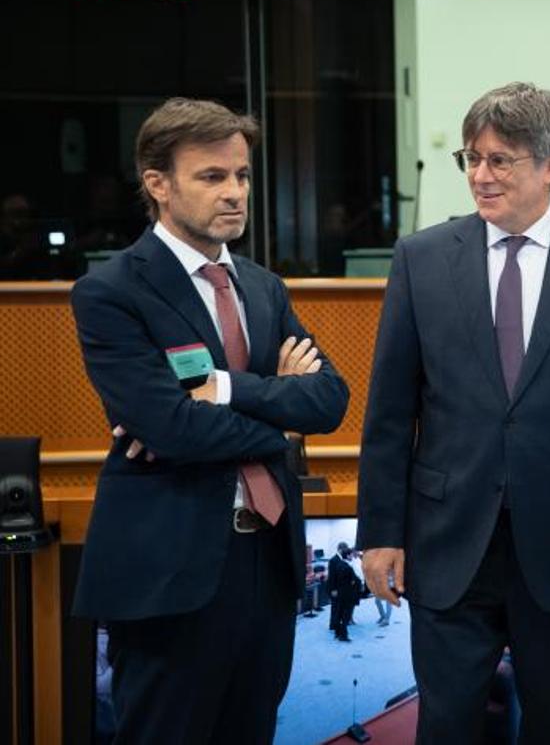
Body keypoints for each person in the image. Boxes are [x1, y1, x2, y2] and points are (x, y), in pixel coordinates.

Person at [358, 81, 550, 744]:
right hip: (446, 542)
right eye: (471, 158)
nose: (481, 175)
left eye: (500, 160)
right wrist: (381, 531)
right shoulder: (421, 260)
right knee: (445, 726)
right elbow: (389, 412)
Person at [70, 97, 350, 744]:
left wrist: (224, 388)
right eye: (212, 176)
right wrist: (280, 418)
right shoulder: (113, 291)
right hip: (171, 570)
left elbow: (329, 401)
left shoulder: (262, 286)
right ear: (158, 184)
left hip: (268, 563)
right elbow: (172, 430)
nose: (234, 193)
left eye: (243, 176)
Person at [327, 542, 358, 641]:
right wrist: (333, 589)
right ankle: (340, 632)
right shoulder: (335, 561)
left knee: (339, 612)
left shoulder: (342, 562)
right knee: (341, 612)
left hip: (342, 592)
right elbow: (332, 577)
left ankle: (337, 631)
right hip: (341, 591)